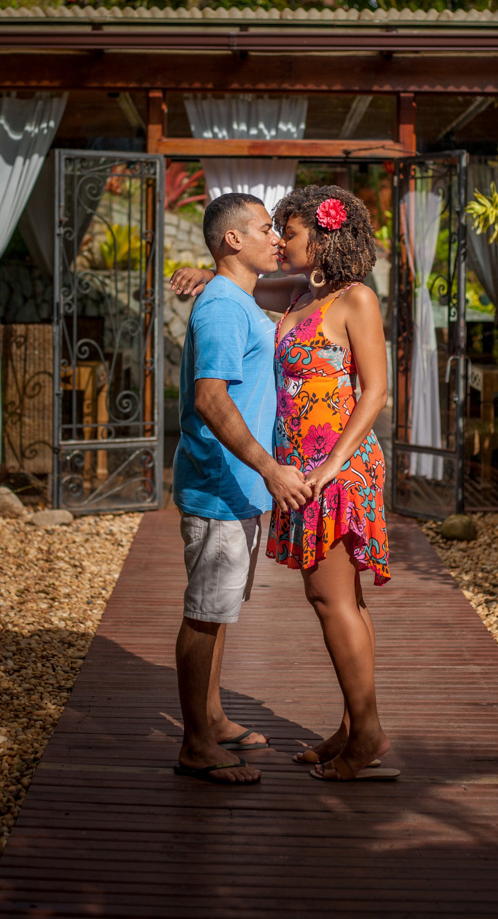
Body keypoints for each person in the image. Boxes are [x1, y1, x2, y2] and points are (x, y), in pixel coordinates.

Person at [172, 184, 397, 783]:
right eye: (272, 231)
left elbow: (375, 393)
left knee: (332, 600)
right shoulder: (298, 292)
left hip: (334, 472)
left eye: (289, 232)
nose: (279, 239)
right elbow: (236, 284)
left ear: (322, 236)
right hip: (300, 470)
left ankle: (366, 733)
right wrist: (205, 272)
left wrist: (329, 467)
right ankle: (353, 727)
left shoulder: (356, 300)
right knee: (343, 601)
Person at [171, 192, 312, 786]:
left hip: (236, 488)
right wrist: (270, 468)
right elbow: (211, 398)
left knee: (219, 609)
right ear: (233, 239)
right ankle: (196, 744)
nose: (277, 238)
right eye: (265, 228)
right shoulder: (225, 307)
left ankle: (214, 717)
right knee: (205, 614)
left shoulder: (236, 298)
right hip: (220, 485)